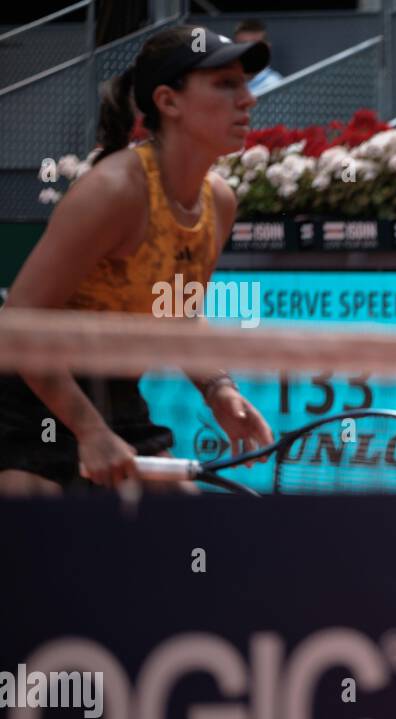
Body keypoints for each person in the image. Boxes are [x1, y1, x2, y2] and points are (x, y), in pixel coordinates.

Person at [0, 26, 274, 495]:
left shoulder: (218, 201)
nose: (247, 99)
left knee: (184, 528)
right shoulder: (113, 192)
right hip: (30, 398)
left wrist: (218, 390)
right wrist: (87, 431)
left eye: (245, 84)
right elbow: (17, 327)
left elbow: (177, 310)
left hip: (119, 397)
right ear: (168, 102)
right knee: (36, 526)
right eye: (226, 84)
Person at [234, 19, 285, 96]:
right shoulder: (224, 81)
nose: (248, 51)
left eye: (254, 46)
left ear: (267, 48)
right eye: (242, 45)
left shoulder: (275, 85)